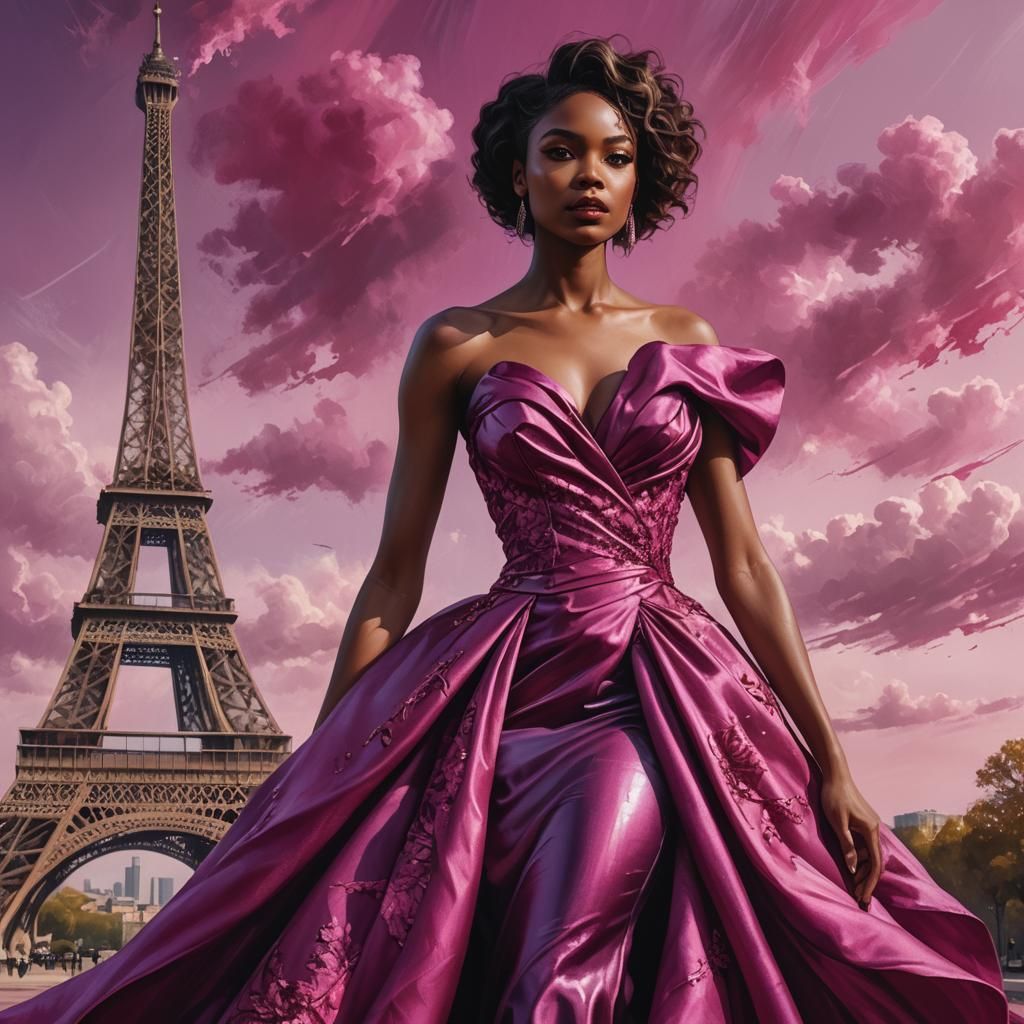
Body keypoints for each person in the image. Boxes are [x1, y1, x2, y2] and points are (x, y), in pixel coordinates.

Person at [0, 34, 1018, 1024]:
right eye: (562, 151)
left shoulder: (686, 341)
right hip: (509, 689)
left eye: (615, 156)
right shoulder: (456, 343)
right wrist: (324, 767)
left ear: (639, 181)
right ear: (516, 177)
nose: (590, 174)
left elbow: (743, 561)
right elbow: (393, 579)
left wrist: (828, 752)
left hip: (652, 688)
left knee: (577, 915)